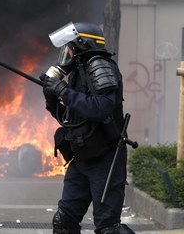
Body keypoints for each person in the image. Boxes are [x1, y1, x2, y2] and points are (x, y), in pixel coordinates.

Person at [39, 22, 134, 234]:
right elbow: (70, 119)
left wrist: (63, 91)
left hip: (105, 158)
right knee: (64, 221)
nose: (66, 54)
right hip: (82, 158)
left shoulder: (100, 66)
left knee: (108, 228)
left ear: (83, 44)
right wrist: (52, 99)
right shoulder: (77, 72)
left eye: (69, 48)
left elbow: (101, 109)